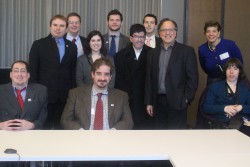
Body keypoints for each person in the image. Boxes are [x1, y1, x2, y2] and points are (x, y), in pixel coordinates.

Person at [145, 18, 198, 129]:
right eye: (164, 30)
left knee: (176, 139)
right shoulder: (152, 53)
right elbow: (149, 79)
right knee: (159, 137)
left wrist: (186, 99)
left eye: (171, 30)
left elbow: (193, 78)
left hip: (178, 102)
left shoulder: (187, 51)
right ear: (159, 32)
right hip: (157, 102)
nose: (168, 33)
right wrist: (149, 102)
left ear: (176, 32)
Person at [29, 14, 77, 130]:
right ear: (50, 26)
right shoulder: (38, 45)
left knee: (62, 130)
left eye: (61, 26)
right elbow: (33, 71)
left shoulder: (71, 47)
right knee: (43, 129)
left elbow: (72, 72)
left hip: (64, 97)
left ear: (66, 28)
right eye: (55, 25)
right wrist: (34, 94)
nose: (58, 28)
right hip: (44, 96)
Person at [61, 57, 133, 130]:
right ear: (92, 74)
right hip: (83, 138)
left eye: (106, 74)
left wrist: (113, 132)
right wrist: (81, 132)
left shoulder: (121, 96)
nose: (102, 78)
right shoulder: (75, 94)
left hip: (111, 139)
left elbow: (128, 121)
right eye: (99, 74)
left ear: (110, 77)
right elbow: (65, 120)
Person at [0, 61, 47, 167]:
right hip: (5, 139)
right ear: (11, 75)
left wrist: (32, 125)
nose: (19, 74)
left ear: (28, 75)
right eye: (16, 71)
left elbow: (44, 117)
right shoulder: (1, 91)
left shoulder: (41, 91)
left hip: (32, 139)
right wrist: (1, 126)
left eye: (23, 71)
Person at [114, 24, 152, 129]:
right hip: (128, 100)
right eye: (136, 36)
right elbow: (118, 80)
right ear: (131, 38)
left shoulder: (152, 53)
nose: (139, 40)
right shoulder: (120, 55)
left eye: (142, 37)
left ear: (145, 38)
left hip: (145, 101)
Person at [202, 58, 250, 131]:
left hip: (241, 126)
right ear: (225, 71)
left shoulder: (245, 88)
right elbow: (206, 107)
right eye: (229, 69)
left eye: (235, 69)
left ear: (240, 71)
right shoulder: (215, 86)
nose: (231, 72)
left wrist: (241, 107)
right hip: (220, 125)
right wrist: (224, 108)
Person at [198, 21, 243, 85]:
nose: (211, 34)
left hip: (232, 81)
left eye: (214, 31)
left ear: (218, 33)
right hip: (213, 82)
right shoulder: (202, 49)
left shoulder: (230, 45)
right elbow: (204, 67)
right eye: (208, 31)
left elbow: (240, 63)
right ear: (205, 33)